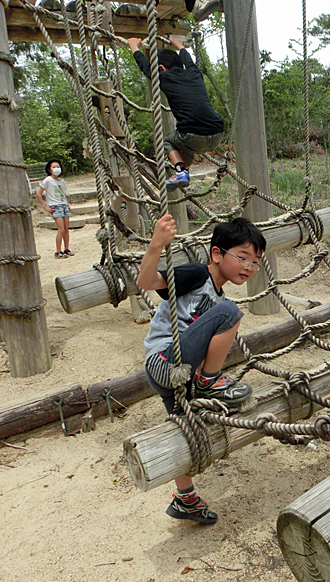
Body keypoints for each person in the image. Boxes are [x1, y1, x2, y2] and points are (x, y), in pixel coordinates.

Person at [137, 214, 266, 524]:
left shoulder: (217, 295)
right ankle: (209, 380)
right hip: (164, 360)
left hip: (175, 375)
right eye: (243, 257)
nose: (249, 266)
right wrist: (156, 244)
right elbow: (145, 282)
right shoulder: (198, 275)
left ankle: (185, 499)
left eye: (255, 262)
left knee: (181, 426)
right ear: (217, 254)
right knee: (230, 312)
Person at [128, 36, 224, 192]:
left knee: (168, 141)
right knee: (185, 147)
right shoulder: (194, 73)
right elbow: (190, 61)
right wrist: (180, 46)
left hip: (193, 135)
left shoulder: (165, 77)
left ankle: (180, 171)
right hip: (218, 134)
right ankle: (183, 170)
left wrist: (134, 48)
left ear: (161, 68)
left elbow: (146, 69)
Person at [36, 159, 74, 259]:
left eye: (58, 166)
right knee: (61, 229)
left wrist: (67, 203)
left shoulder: (61, 181)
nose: (56, 168)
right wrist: (45, 207)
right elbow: (39, 193)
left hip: (64, 205)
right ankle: (58, 251)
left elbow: (63, 193)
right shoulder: (48, 180)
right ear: (49, 169)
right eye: (54, 167)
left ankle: (66, 248)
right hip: (55, 206)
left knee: (66, 228)